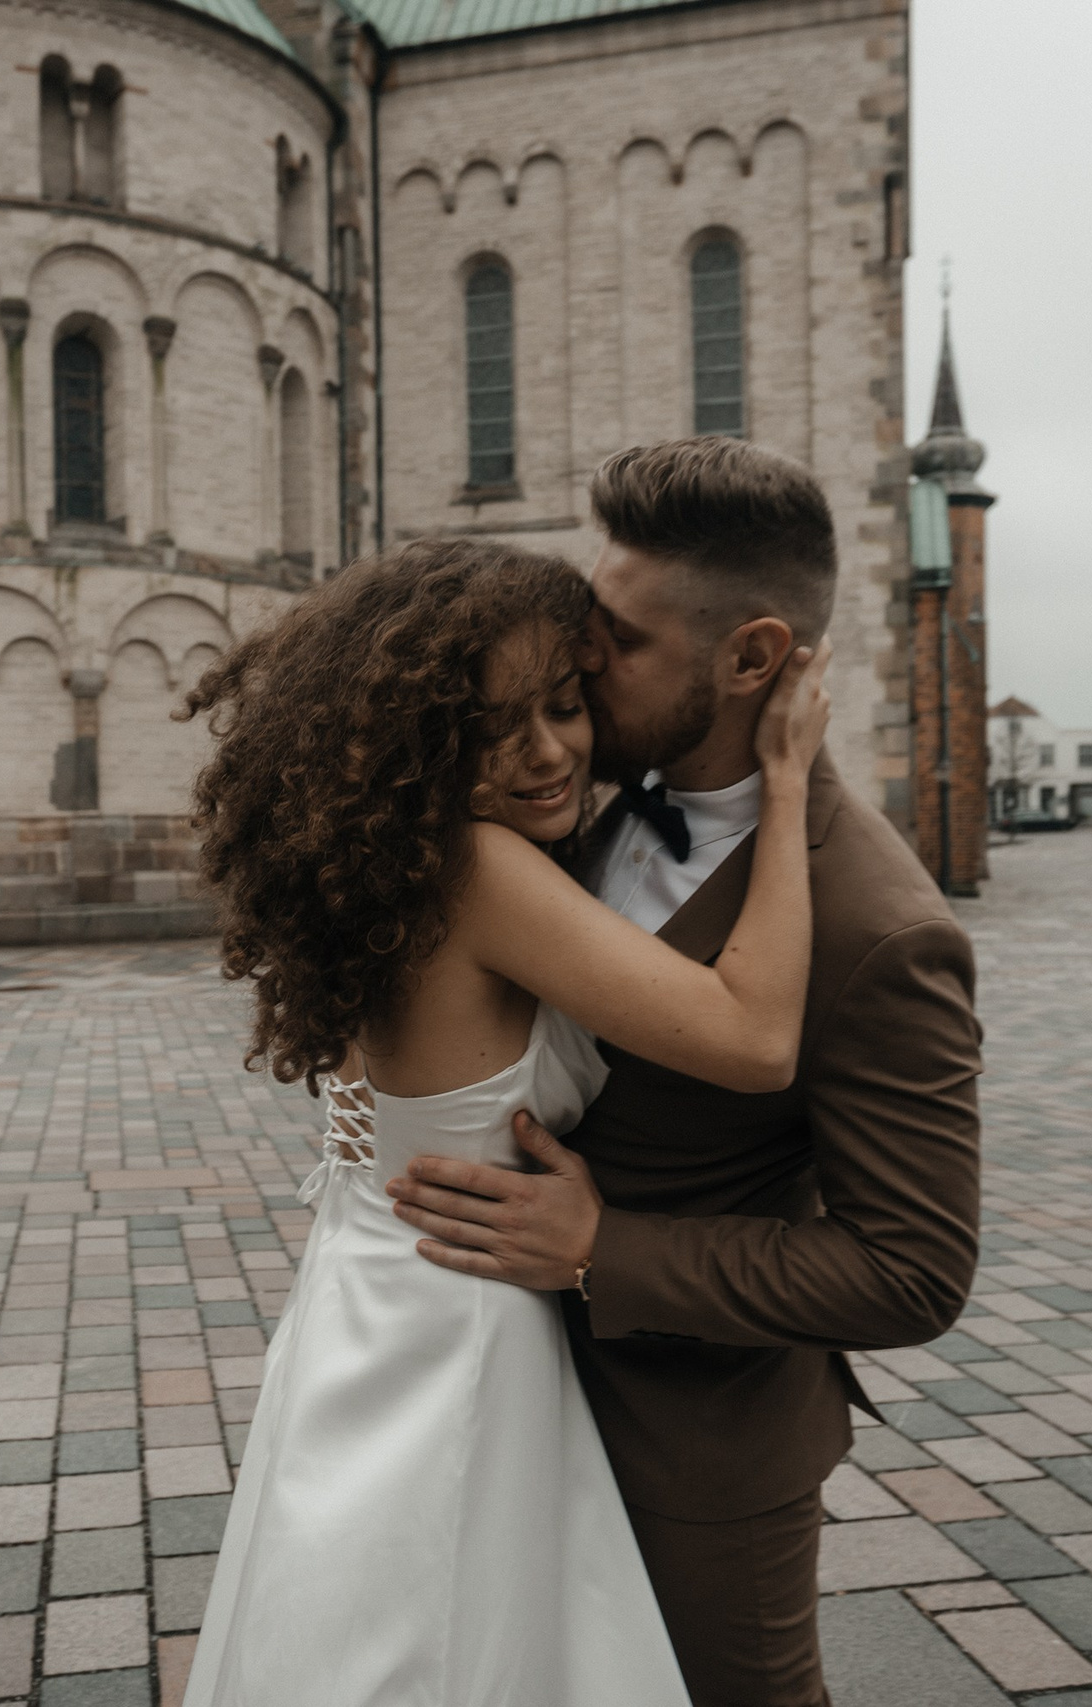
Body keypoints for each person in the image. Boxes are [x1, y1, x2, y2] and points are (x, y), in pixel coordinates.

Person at [176, 535, 831, 1707]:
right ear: (415, 744)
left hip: (365, 1296)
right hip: (455, 1327)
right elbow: (753, 1038)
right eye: (488, 728)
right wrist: (784, 787)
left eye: (564, 706)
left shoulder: (369, 868)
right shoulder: (475, 867)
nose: (543, 753)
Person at [384, 437, 986, 1707]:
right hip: (506, 1401)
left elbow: (913, 1271)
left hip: (698, 1452)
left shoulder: (882, 928)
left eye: (618, 636)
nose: (580, 658)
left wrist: (606, 1251)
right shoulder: (583, 801)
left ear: (752, 658)